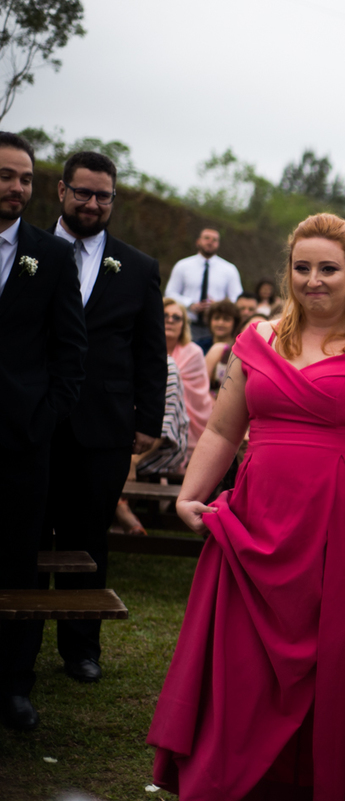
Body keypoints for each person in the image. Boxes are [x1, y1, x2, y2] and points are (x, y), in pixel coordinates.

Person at [148, 213, 345, 800]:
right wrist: (192, 495)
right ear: (287, 272)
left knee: (332, 665)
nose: (313, 280)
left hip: (340, 525)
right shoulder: (256, 340)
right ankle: (235, 779)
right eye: (302, 268)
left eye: (328, 268)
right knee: (242, 665)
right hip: (256, 521)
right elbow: (221, 429)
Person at [39, 150, 167, 688]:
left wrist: (148, 419)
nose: (92, 203)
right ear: (61, 191)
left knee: (89, 536)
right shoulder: (25, 251)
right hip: (32, 420)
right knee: (21, 531)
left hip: (106, 425)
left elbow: (150, 350)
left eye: (103, 196)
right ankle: (14, 646)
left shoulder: (137, 268)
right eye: (83, 192)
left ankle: (80, 647)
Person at [0, 132, 87, 732]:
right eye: (7, 176)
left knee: (17, 562)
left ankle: (13, 684)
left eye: (26, 178)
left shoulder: (50, 256)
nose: (17, 188)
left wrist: (42, 417)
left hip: (20, 444)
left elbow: (69, 352)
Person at [165, 228, 243, 340]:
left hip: (216, 328)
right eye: (206, 238)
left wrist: (218, 306)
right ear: (198, 241)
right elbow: (170, 293)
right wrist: (190, 304)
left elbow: (237, 298)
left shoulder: (229, 269)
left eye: (214, 240)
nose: (210, 242)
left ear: (218, 244)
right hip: (187, 324)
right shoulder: (182, 266)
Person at [163, 298, 213, 465]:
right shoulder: (145, 347)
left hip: (188, 423)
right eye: (165, 315)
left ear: (183, 324)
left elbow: (192, 394)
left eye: (176, 317)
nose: (170, 320)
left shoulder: (193, 353)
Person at [203, 300, 240, 397]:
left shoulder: (238, 348)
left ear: (235, 323)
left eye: (226, 319)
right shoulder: (199, 346)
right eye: (216, 318)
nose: (220, 323)